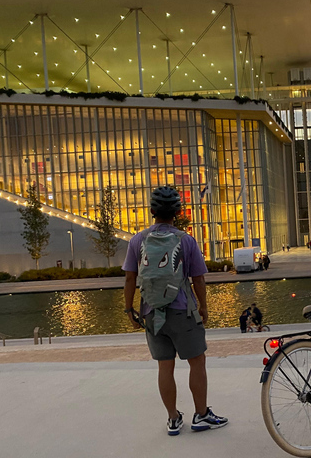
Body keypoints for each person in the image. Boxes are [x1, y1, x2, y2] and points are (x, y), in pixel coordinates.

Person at [123, 186, 227, 435]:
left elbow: (129, 279)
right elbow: (198, 280)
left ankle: (173, 419)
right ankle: (201, 415)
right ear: (177, 213)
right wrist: (203, 307)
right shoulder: (186, 240)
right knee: (197, 362)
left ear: (152, 212)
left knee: (165, 367)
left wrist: (128, 310)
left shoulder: (137, 240)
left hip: (151, 312)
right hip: (182, 310)